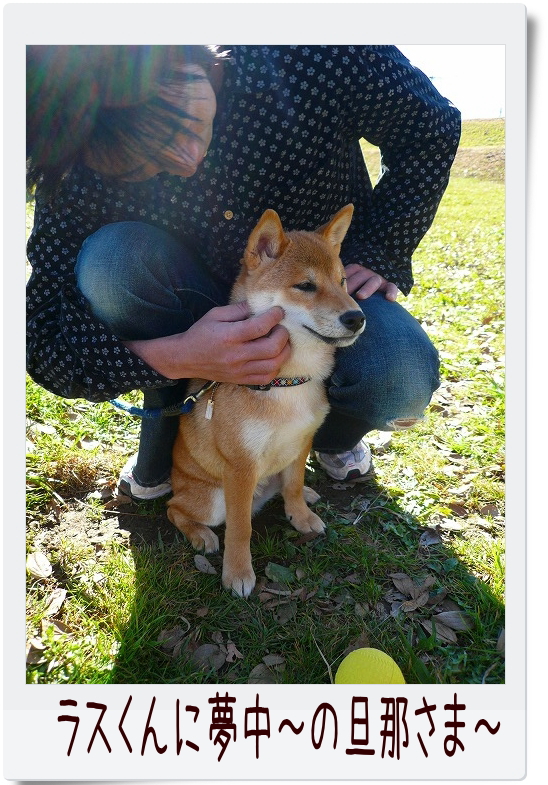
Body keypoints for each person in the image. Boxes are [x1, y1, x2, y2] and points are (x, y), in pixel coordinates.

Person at [26, 44, 461, 500]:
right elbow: (43, 335)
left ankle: (318, 438)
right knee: (113, 262)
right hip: (182, 293)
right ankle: (182, 434)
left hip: (321, 287)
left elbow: (430, 126)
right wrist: (177, 356)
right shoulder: (75, 160)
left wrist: (383, 245)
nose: (188, 159)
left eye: (182, 122)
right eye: (142, 164)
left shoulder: (316, 50)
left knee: (399, 379)